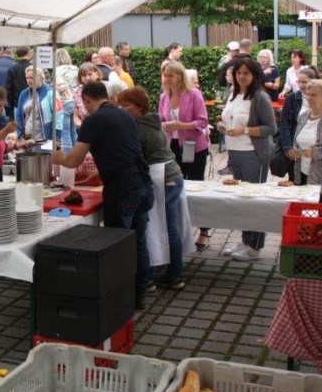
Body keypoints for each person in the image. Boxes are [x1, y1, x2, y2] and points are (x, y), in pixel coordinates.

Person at [52, 82, 154, 310]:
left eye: (83, 102)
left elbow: (74, 160)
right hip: (142, 181)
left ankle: (120, 296)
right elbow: (123, 149)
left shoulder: (93, 120)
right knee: (138, 239)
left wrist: (58, 158)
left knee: (117, 242)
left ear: (87, 99)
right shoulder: (124, 115)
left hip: (122, 187)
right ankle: (140, 292)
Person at [117, 86, 187, 291]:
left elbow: (133, 157)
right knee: (170, 228)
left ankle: (153, 277)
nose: (122, 109)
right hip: (172, 174)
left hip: (161, 178)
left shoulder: (137, 128)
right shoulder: (154, 121)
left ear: (138, 107)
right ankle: (174, 274)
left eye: (126, 105)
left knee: (154, 228)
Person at [217, 57, 276, 261]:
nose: (241, 76)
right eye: (238, 73)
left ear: (255, 75)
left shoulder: (260, 97)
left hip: (254, 154)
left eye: (246, 73)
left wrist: (246, 130)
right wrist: (222, 127)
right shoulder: (233, 93)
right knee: (242, 199)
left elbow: (271, 128)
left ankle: (256, 246)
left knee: (254, 199)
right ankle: (245, 240)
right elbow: (230, 118)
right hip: (235, 152)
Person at [159, 60, 211, 250]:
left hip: (193, 146)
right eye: (165, 75)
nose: (167, 79)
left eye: (171, 75)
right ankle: (180, 229)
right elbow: (161, 119)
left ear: (180, 76)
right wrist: (165, 125)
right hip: (171, 146)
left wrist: (182, 125)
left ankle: (204, 230)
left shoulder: (194, 94)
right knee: (175, 186)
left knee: (196, 185)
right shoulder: (164, 97)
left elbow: (203, 121)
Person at [279, 66, 318, 182]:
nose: (301, 85)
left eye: (304, 82)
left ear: (313, 82)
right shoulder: (292, 98)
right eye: (299, 81)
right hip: (296, 150)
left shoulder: (321, 98)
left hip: (315, 151)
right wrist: (288, 146)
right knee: (296, 181)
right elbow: (284, 122)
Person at [15, 66, 61, 141]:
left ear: (41, 78)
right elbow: (18, 116)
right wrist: (19, 135)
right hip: (28, 137)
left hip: (46, 137)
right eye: (27, 78)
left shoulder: (51, 93)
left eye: (32, 78)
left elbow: (58, 115)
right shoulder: (24, 93)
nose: (29, 80)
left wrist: (57, 136)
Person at [54, 48, 79, 151]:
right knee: (73, 131)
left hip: (65, 103)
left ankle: (68, 157)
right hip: (75, 102)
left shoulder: (58, 70)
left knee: (65, 132)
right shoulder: (76, 69)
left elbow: (61, 88)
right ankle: (77, 155)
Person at [72, 62, 100, 133]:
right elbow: (76, 116)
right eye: (84, 75)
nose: (87, 78)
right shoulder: (77, 91)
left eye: (90, 74)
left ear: (96, 74)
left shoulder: (105, 88)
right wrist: (83, 126)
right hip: (84, 129)